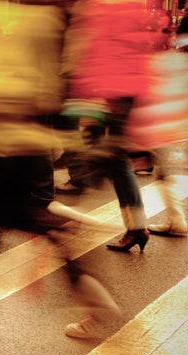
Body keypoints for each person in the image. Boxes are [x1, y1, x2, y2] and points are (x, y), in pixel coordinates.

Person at [0, 2, 123, 355]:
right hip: (29, 145)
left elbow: (9, 80)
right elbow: (53, 86)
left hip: (5, 146)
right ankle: (78, 270)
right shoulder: (55, 19)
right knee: (12, 225)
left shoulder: (26, 20)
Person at [55, 0, 168, 253]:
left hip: (112, 94)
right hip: (122, 92)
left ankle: (84, 218)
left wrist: (82, 92)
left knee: (106, 157)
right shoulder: (126, 6)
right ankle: (135, 227)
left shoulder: (103, 8)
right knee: (114, 161)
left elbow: (96, 51)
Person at [126, 39, 188, 237]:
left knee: (166, 175)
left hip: (161, 129)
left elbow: (147, 100)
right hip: (179, 125)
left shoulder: (151, 63)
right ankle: (176, 220)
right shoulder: (179, 60)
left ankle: (177, 221)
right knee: (167, 172)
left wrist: (137, 136)